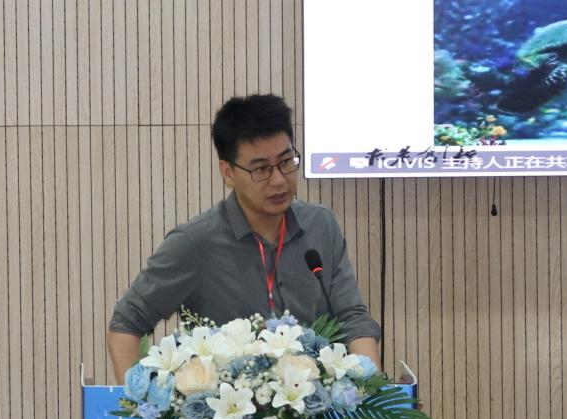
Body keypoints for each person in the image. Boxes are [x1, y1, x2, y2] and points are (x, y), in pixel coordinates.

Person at [106, 94, 381, 383]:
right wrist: (141, 403)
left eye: (286, 161)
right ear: (228, 172)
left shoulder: (320, 227)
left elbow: (352, 319)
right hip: (228, 408)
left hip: (317, 403)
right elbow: (125, 324)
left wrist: (374, 393)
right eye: (261, 169)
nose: (279, 180)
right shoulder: (194, 243)